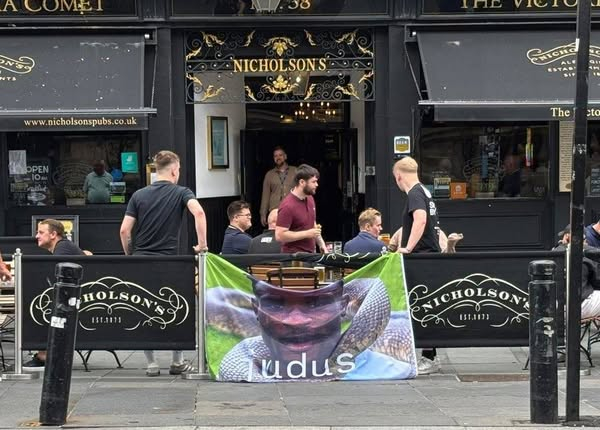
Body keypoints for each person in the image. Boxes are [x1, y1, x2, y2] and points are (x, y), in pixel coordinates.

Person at [216, 279, 413, 381]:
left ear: (343, 306)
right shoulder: (242, 357)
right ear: (256, 309)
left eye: (315, 305)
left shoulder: (394, 367)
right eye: (277, 305)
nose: (296, 321)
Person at [119, 150, 208, 377]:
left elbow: (124, 230)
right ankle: (177, 361)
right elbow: (199, 213)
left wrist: (130, 255)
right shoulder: (182, 192)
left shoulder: (138, 195)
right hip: (170, 261)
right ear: (174, 170)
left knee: (143, 309)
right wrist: (202, 245)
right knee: (176, 307)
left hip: (141, 261)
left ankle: (151, 364)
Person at [393, 156, 441, 375]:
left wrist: (408, 247)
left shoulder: (414, 194)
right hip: (430, 256)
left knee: (422, 306)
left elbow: (420, 219)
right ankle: (429, 355)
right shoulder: (424, 191)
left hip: (422, 257)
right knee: (426, 305)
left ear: (398, 176)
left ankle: (428, 357)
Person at [25, 218, 86, 370]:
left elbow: (55, 277)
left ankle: (45, 355)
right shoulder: (63, 247)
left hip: (76, 303)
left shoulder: (62, 248)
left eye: (41, 232)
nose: (37, 236)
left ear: (53, 234)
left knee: (38, 306)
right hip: (75, 298)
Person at [275, 164, 327, 253]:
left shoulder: (310, 198)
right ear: (302, 182)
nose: (317, 185)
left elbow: (313, 225)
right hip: (293, 256)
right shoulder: (287, 206)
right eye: (313, 182)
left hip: (310, 254)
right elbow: (279, 235)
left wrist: (322, 245)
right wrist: (307, 233)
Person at [554, 225, 600, 320]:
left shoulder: (554, 252)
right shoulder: (586, 254)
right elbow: (598, 281)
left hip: (554, 308)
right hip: (578, 307)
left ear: (566, 237)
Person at [260, 147, 297, 227]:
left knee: (293, 232)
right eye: (275, 156)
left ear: (285, 156)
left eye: (280, 155)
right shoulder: (269, 174)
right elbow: (265, 195)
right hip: (275, 212)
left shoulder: (295, 171)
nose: (278, 157)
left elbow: (302, 190)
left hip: (292, 209)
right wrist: (263, 213)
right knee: (277, 233)